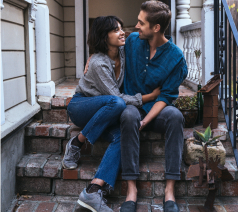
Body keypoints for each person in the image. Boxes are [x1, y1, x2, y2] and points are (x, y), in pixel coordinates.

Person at [62, 16, 160, 212]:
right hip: (82, 106)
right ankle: (77, 142)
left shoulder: (123, 51)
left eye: (121, 28)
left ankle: (93, 190)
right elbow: (117, 98)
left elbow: (149, 37)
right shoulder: (98, 63)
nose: (121, 32)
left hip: (105, 111)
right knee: (117, 102)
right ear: (103, 36)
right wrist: (148, 97)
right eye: (115, 30)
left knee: (124, 134)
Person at [119, 1, 188, 212]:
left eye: (141, 22)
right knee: (128, 115)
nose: (136, 26)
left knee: (175, 116)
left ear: (156, 28)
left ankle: (169, 191)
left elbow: (166, 96)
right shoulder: (132, 41)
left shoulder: (176, 58)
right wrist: (92, 57)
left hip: (157, 110)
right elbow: (109, 48)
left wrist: (147, 120)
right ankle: (131, 190)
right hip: (134, 105)